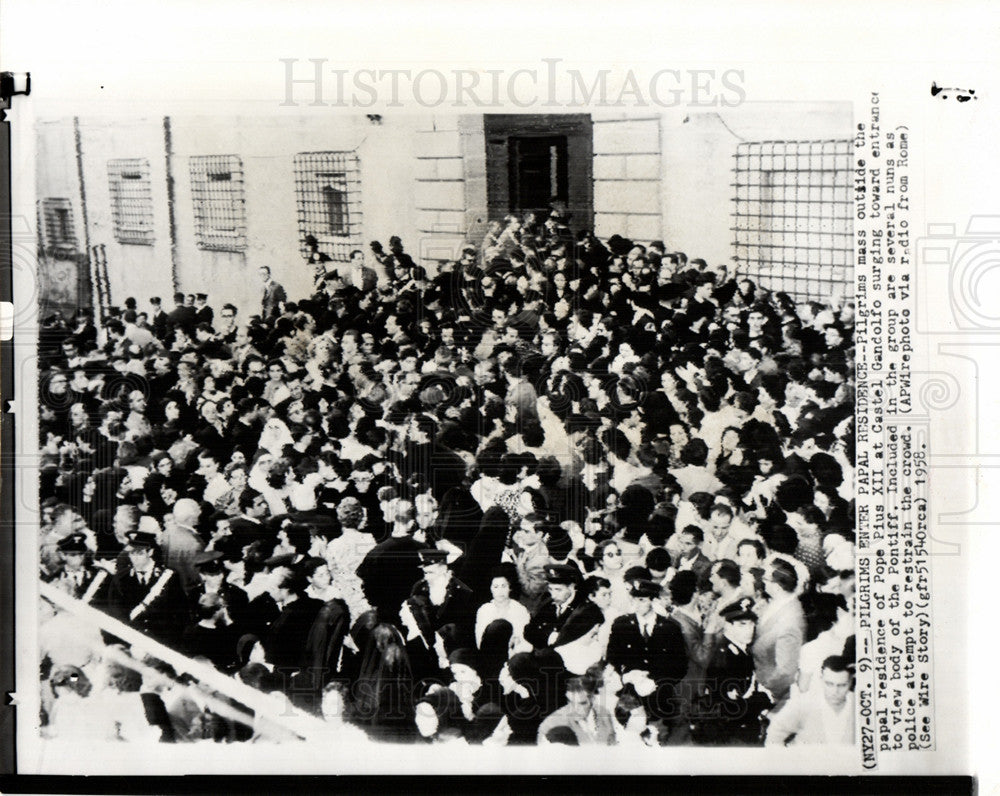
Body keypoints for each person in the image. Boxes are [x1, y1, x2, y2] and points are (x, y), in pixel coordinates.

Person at [606, 579, 688, 727]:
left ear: (654, 600)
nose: (636, 604)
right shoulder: (621, 624)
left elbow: (680, 666)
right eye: (633, 600)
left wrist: (656, 682)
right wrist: (626, 676)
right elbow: (612, 658)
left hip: (660, 700)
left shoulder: (670, 628)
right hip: (629, 700)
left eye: (642, 600)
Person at [695, 597, 772, 745]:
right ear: (728, 626)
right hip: (732, 734)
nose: (750, 629)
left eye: (752, 624)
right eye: (742, 625)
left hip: (740, 728)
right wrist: (764, 702)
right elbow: (732, 706)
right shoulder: (724, 657)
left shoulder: (741, 649)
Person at [752, 558, 807, 709]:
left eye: (765, 579)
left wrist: (765, 691)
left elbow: (786, 671)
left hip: (774, 697)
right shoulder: (775, 604)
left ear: (777, 586)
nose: (762, 582)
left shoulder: (791, 620)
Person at [765, 655, 854, 746]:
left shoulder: (859, 706)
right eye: (829, 684)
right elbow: (774, 734)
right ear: (821, 680)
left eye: (842, 685)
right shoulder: (803, 703)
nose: (835, 691)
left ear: (850, 682)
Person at [536, 674, 616, 746]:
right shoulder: (550, 725)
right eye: (570, 702)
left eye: (581, 703)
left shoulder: (604, 713)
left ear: (592, 699)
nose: (574, 709)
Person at [474, 565, 530, 649]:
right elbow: (480, 640)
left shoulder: (520, 610)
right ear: (491, 589)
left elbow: (522, 639)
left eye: (504, 586)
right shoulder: (484, 610)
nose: (500, 591)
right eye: (496, 587)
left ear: (510, 588)